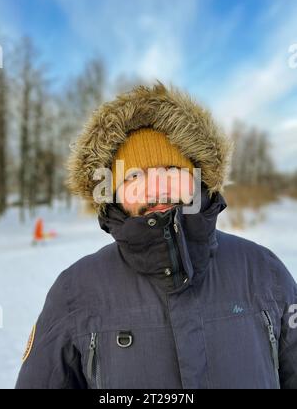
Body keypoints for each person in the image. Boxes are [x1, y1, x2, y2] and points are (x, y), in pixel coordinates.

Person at [16, 82, 297, 389]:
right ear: (114, 194)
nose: (158, 187)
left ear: (197, 179)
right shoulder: (74, 292)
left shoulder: (264, 271)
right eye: (135, 176)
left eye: (172, 169)